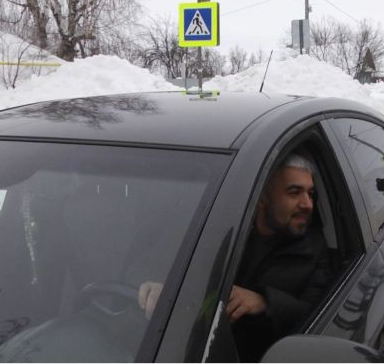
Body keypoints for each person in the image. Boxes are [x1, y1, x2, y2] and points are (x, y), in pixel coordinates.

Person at [138, 153, 331, 361]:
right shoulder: (221, 232)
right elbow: (192, 275)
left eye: (310, 194)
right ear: (263, 197)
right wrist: (164, 290)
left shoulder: (316, 251)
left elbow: (319, 317)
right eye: (295, 193)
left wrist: (265, 302)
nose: (308, 204)